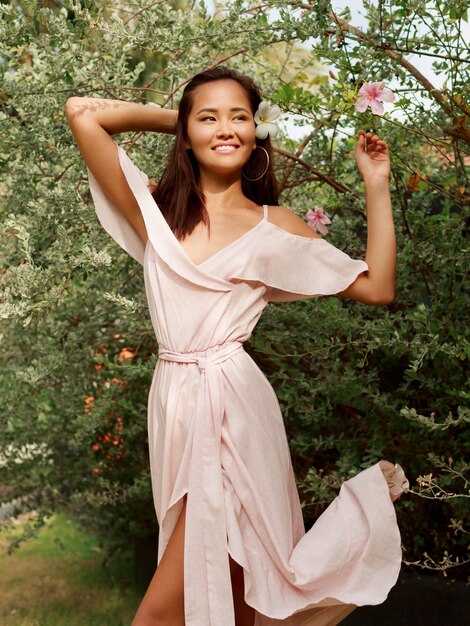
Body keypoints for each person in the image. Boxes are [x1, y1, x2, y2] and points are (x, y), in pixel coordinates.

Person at [65, 66, 408, 626]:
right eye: (209, 118)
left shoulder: (273, 225)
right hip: (174, 404)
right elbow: (84, 112)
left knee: (157, 617)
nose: (226, 129)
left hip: (232, 413)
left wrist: (376, 183)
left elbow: (378, 287)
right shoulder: (156, 213)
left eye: (240, 117)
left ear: (257, 132)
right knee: (234, 595)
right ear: (186, 133)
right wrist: (179, 120)